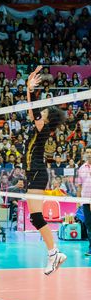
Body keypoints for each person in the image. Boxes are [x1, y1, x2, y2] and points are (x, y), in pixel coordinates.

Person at [26, 66, 67, 275]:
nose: (39, 114)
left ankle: (54, 253)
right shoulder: (40, 127)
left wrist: (30, 90)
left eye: (43, 113)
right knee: (35, 217)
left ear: (48, 119)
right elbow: (32, 111)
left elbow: (33, 110)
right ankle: (54, 253)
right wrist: (28, 88)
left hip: (37, 172)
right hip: (33, 173)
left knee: (36, 217)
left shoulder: (44, 128)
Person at [77, 145, 91, 255]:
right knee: (89, 224)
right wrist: (77, 201)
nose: (89, 154)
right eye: (87, 152)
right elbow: (79, 186)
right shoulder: (81, 169)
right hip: (86, 201)